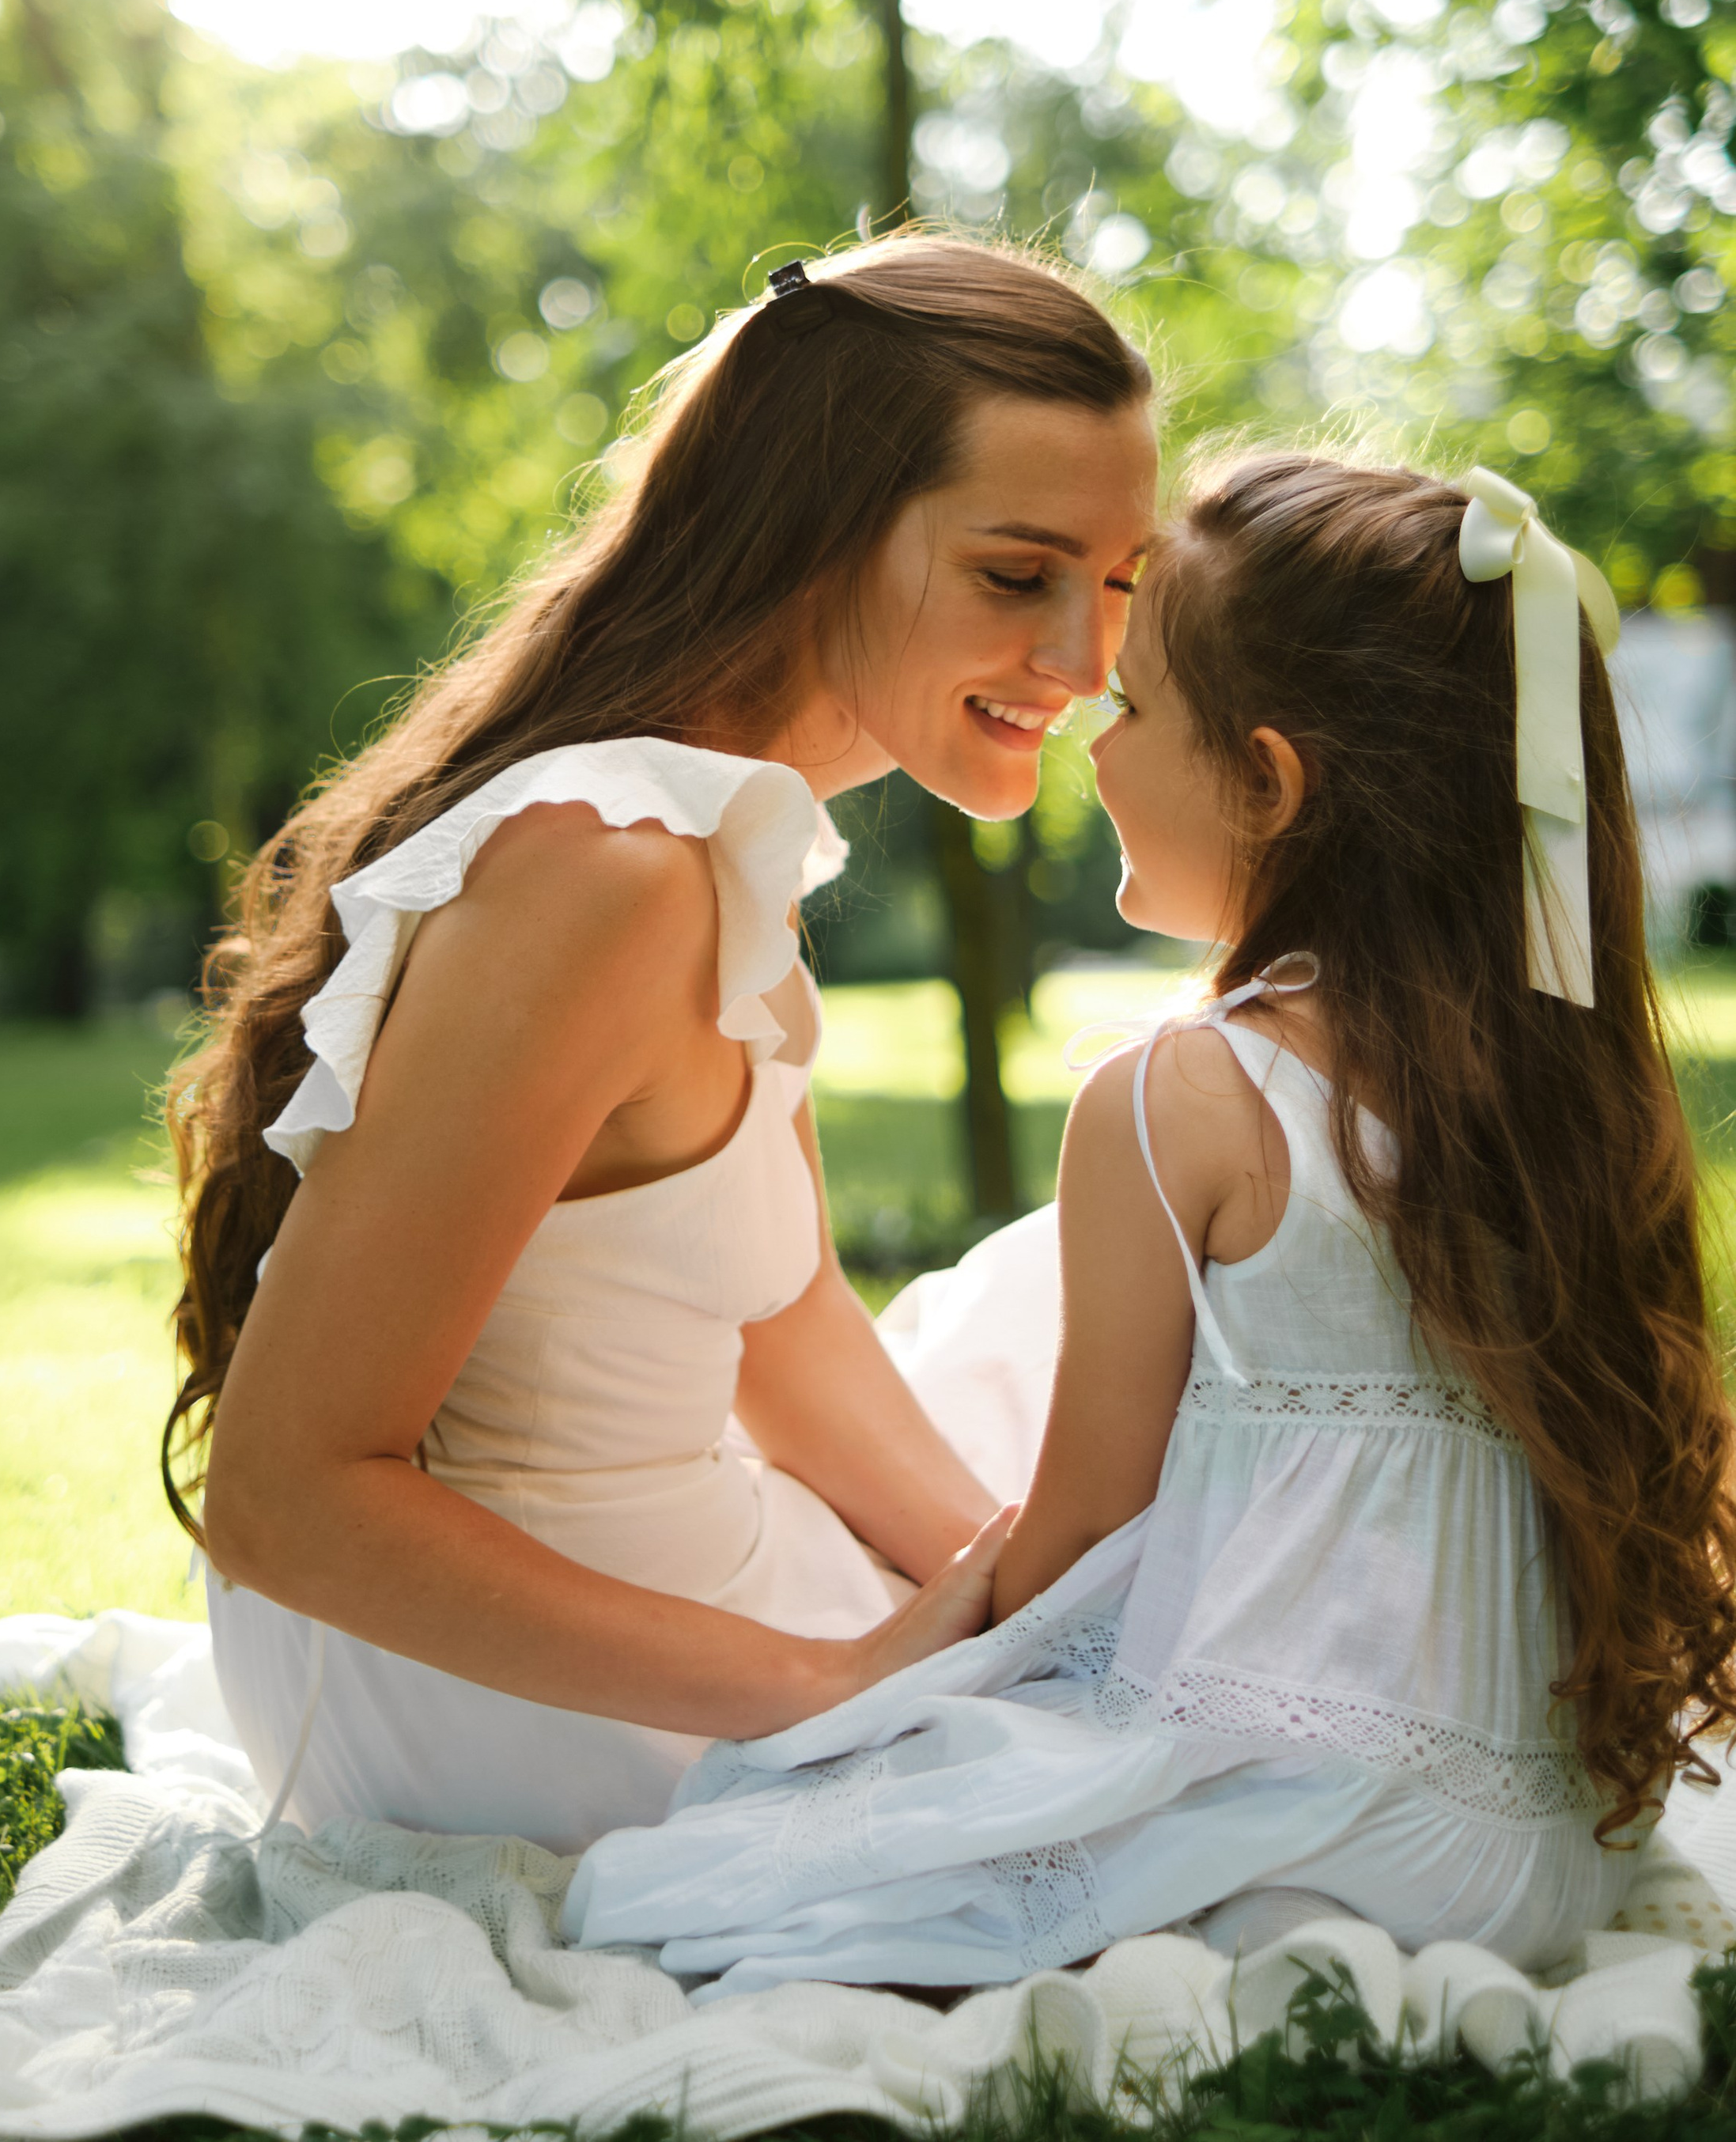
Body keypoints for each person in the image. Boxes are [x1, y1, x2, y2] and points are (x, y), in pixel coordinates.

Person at [565, 451, 1736, 1986]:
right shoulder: (1557, 1094)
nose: (1089, 753)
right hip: (1538, 1849)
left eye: (1128, 710)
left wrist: (899, 1671)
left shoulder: (1180, 1095)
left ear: (1267, 780)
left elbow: (1080, 1531)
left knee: (713, 1867)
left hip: (1308, 1823)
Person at [163, 232, 1159, 1849]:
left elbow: (787, 1331)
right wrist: (836, 1680)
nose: (1088, 664)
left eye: (1119, 585)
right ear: (818, 529)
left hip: (631, 1598)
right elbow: (283, 1499)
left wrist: (1016, 1590)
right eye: (1014, 574)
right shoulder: (601, 876)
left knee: (1114, 1511)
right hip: (493, 1702)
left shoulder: (709, 845)